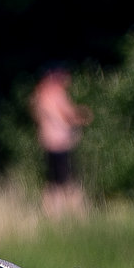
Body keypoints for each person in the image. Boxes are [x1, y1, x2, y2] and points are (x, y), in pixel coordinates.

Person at [30, 65, 91, 217]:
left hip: (53, 142)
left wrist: (77, 117)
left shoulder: (44, 94)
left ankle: (54, 214)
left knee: (55, 181)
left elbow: (64, 114)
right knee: (65, 180)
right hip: (58, 142)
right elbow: (63, 116)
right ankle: (75, 214)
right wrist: (79, 119)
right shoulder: (51, 93)